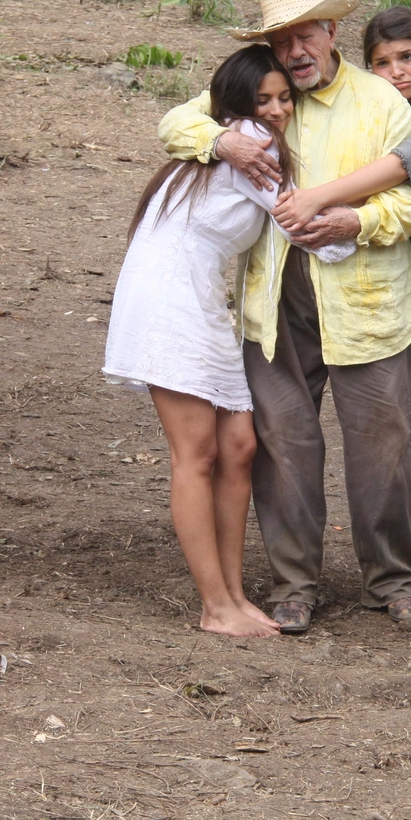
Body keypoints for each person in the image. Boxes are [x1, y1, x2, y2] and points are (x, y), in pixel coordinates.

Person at [157, 0, 411, 633]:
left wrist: (352, 223)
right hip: (275, 302)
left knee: (385, 445)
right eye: (282, 39)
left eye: (306, 33)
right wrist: (221, 141)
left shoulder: (380, 102)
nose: (295, 48)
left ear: (332, 33)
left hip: (368, 302)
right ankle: (293, 585)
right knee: (284, 443)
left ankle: (392, 580)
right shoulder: (261, 93)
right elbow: (176, 123)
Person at [272, 6, 411, 619]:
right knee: (409, 435)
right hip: (388, 286)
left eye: (406, 59)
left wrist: (319, 197)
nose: (395, 72)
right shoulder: (348, 100)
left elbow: (404, 164)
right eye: (382, 62)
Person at [102, 45, 303, 638]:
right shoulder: (243, 139)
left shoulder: (234, 138)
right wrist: (361, 228)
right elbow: (308, 229)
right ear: (238, 105)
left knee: (238, 446)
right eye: (262, 100)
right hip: (171, 303)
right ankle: (215, 606)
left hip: (206, 302)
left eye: (284, 98)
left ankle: (236, 594)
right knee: (197, 454)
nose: (275, 112)